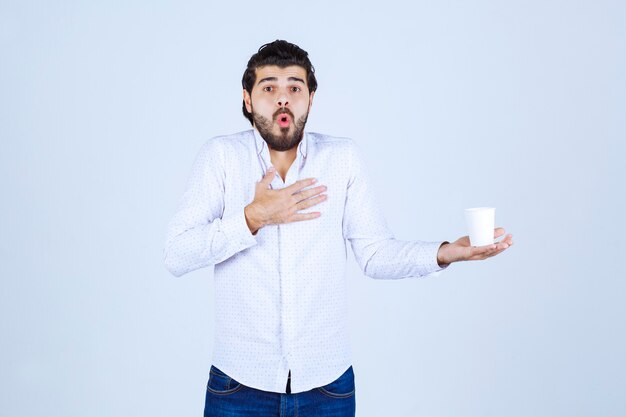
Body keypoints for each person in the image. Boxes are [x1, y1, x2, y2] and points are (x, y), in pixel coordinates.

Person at [163, 39, 513, 417]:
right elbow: (176, 253)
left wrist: (445, 252)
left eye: (294, 88)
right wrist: (252, 218)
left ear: (310, 99)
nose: (283, 99)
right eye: (269, 88)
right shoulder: (221, 158)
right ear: (248, 99)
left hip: (327, 388)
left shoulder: (342, 158)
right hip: (238, 386)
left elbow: (375, 255)